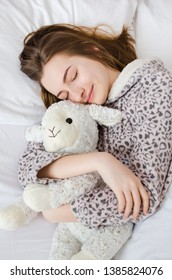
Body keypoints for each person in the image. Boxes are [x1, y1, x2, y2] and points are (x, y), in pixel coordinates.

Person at [18, 23, 172, 229]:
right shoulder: (74, 109)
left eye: (73, 76)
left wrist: (55, 213)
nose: (76, 94)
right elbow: (28, 168)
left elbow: (145, 196)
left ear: (92, 49)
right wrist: (100, 162)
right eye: (63, 94)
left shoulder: (153, 84)